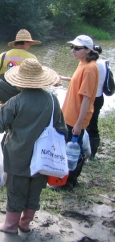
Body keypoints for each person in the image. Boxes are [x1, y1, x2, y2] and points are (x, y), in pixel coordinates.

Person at [0, 58, 67, 235]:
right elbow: (62, 128)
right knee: (35, 190)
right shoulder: (52, 100)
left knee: (17, 189)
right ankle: (25, 224)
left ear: (19, 82)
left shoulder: (15, 102)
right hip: (45, 155)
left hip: (19, 154)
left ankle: (10, 226)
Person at [51, 35, 99, 191]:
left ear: (87, 50)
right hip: (70, 115)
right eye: (72, 47)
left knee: (73, 151)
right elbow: (78, 81)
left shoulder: (90, 69)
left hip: (76, 118)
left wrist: (79, 124)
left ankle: (68, 182)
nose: (73, 50)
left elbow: (86, 98)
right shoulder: (83, 64)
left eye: (77, 48)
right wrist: (63, 78)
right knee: (69, 148)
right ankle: (67, 179)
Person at [0, 29, 41, 103]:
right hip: (20, 104)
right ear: (25, 42)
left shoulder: (3, 55)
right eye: (30, 43)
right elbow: (36, 83)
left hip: (2, 102)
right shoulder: (32, 58)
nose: (29, 46)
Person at [86, 45, 106, 158]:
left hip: (92, 98)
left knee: (90, 125)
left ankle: (91, 153)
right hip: (99, 97)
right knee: (93, 123)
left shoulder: (93, 65)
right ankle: (92, 151)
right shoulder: (104, 63)